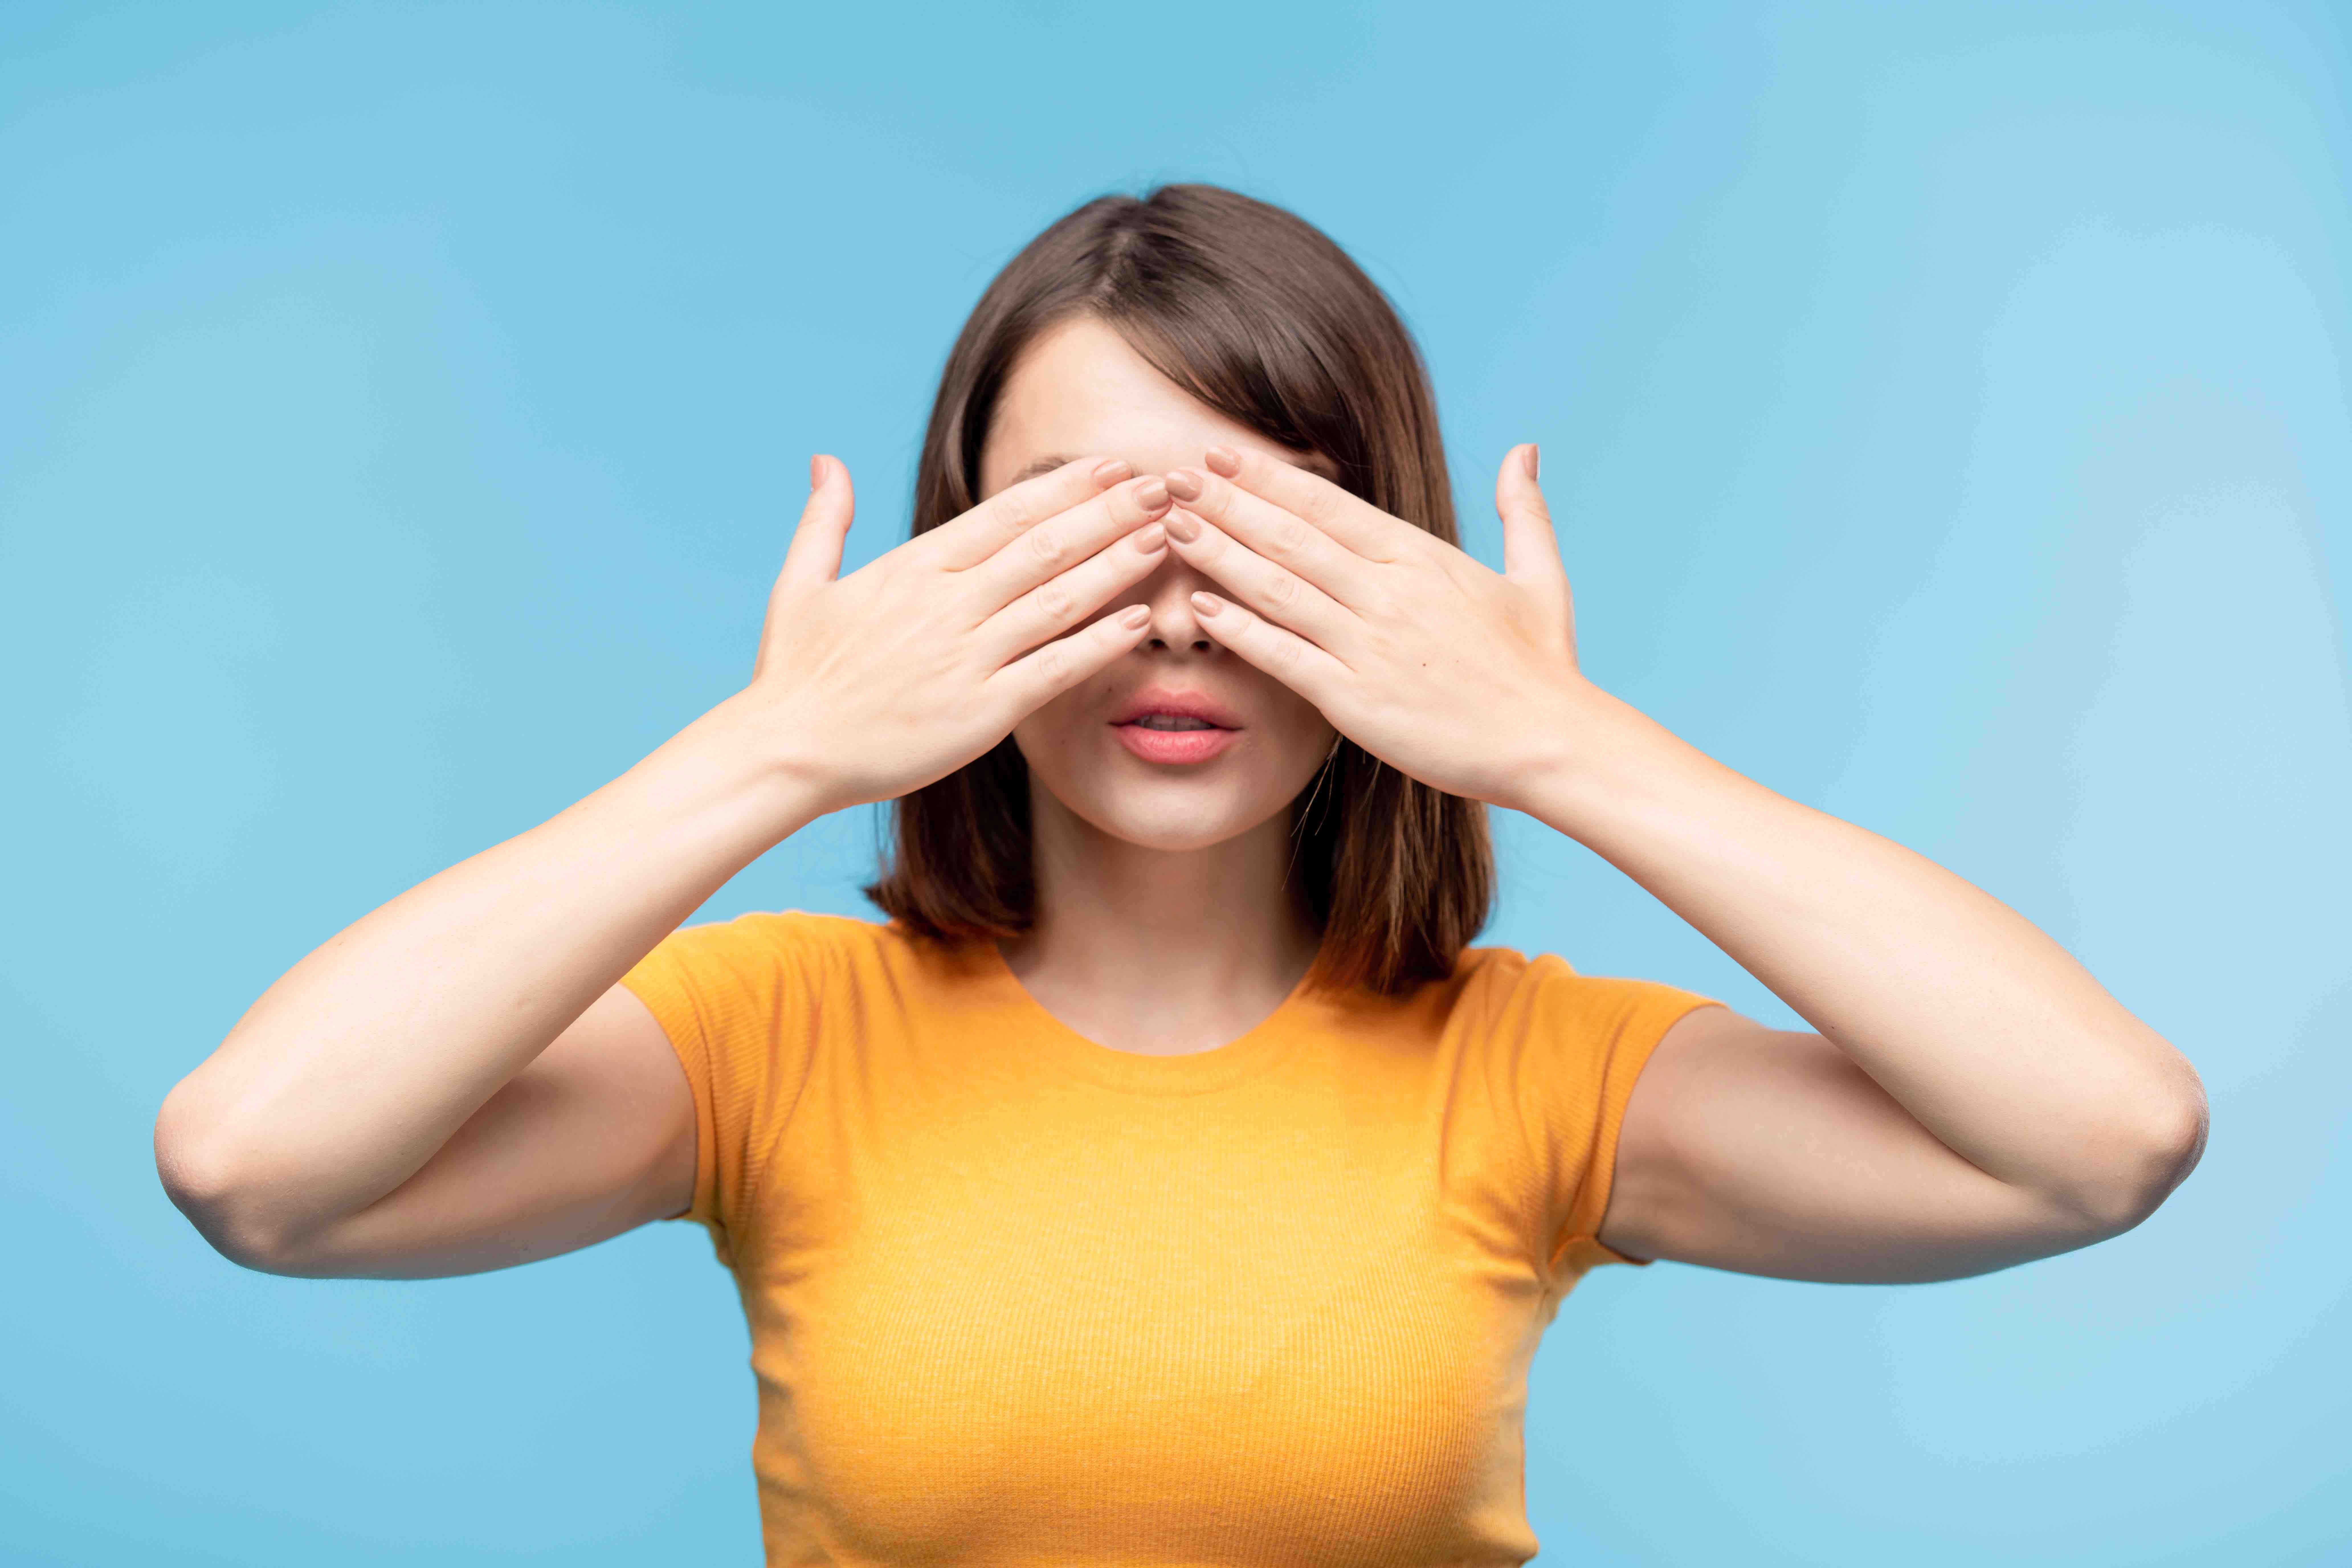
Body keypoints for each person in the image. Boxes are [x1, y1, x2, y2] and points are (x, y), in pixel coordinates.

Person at [154, 184, 2207, 1564]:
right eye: (1080, 539)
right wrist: (777, 743)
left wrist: (1563, 743)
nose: (1177, 627)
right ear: (954, 574)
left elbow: (2099, 1140)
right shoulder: (773, 1039)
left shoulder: (1535, 1078)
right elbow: (259, 1166)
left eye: (1267, 543)